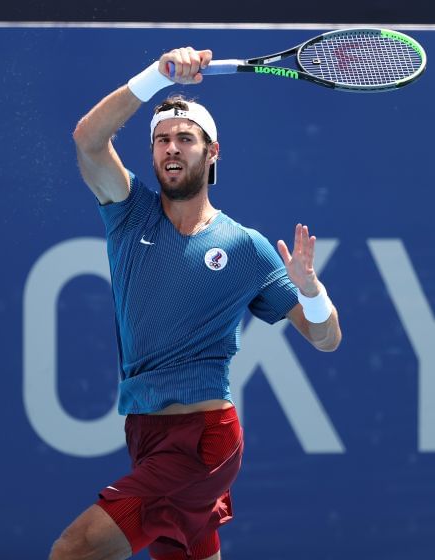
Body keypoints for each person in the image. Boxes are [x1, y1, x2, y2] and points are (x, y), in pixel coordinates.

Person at [50, 46, 342, 560]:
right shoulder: (129, 213)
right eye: (161, 139)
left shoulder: (245, 246)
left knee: (75, 550)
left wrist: (311, 292)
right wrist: (154, 79)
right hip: (144, 433)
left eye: (186, 138)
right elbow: (88, 140)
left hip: (202, 441)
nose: (171, 148)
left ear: (212, 154)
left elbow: (325, 338)